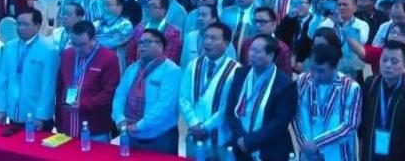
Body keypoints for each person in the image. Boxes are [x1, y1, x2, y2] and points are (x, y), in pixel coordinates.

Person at [225, 34, 298, 161]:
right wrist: (242, 137)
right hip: (240, 144)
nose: (251, 54)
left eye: (257, 51)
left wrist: (251, 140)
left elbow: (280, 122)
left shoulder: (285, 84)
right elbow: (230, 110)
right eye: (251, 49)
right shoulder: (240, 73)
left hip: (269, 149)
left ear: (270, 56)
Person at [112, 28, 181, 154]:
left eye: (147, 42)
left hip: (159, 137)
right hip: (130, 133)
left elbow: (165, 106)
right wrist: (120, 118)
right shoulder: (132, 69)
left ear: (160, 45)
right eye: (140, 43)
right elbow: (120, 95)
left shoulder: (172, 71)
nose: (142, 46)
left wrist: (139, 126)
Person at [179, 22, 240, 160]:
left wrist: (205, 127)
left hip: (222, 138)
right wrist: (194, 123)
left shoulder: (236, 70)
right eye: (206, 37)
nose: (207, 42)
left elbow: (229, 106)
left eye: (213, 38)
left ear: (226, 43)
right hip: (194, 134)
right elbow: (183, 98)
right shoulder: (193, 64)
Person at [359, 40, 405, 161]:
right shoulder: (370, 84)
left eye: (394, 61)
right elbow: (362, 124)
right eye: (384, 60)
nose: (388, 65)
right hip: (370, 153)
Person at [293, 43, 362, 160]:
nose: (315, 75)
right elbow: (294, 114)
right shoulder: (302, 80)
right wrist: (303, 142)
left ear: (335, 68)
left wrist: (317, 144)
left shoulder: (350, 87)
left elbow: (350, 125)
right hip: (307, 152)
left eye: (321, 71)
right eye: (312, 69)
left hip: (337, 153)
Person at [55, 21, 120, 141]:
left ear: (93, 39)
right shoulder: (67, 54)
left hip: (94, 127)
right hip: (68, 123)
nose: (78, 49)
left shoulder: (109, 58)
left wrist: (84, 104)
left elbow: (109, 92)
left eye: (82, 44)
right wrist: (59, 119)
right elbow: (60, 87)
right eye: (74, 44)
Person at [0, 8, 58, 132]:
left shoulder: (48, 49)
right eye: (18, 24)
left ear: (37, 26)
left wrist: (41, 116)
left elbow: (48, 87)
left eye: (25, 24)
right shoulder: (9, 46)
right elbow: (3, 80)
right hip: (13, 114)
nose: (20, 28)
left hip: (37, 117)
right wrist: (1, 108)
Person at [126, 0, 182, 65]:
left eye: (154, 7)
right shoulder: (139, 28)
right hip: (138, 68)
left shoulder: (172, 32)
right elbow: (131, 53)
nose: (149, 10)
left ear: (163, 10)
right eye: (148, 7)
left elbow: (170, 58)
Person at [95, 0, 134, 70]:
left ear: (120, 7)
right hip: (97, 64)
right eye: (103, 5)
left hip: (116, 66)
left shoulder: (126, 25)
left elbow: (110, 43)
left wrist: (95, 39)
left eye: (108, 5)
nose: (105, 8)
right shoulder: (96, 24)